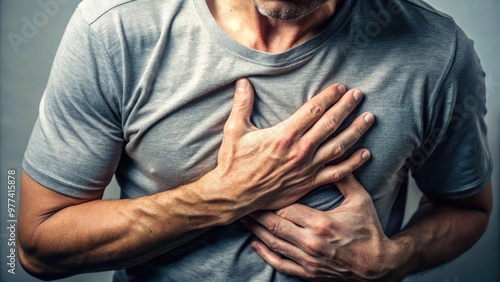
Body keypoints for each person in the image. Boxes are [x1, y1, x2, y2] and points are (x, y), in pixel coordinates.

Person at [18, 0, 493, 281]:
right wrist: (226, 196)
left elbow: (468, 208)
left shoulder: (436, 53)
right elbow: (37, 245)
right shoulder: (116, 29)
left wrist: (391, 261)